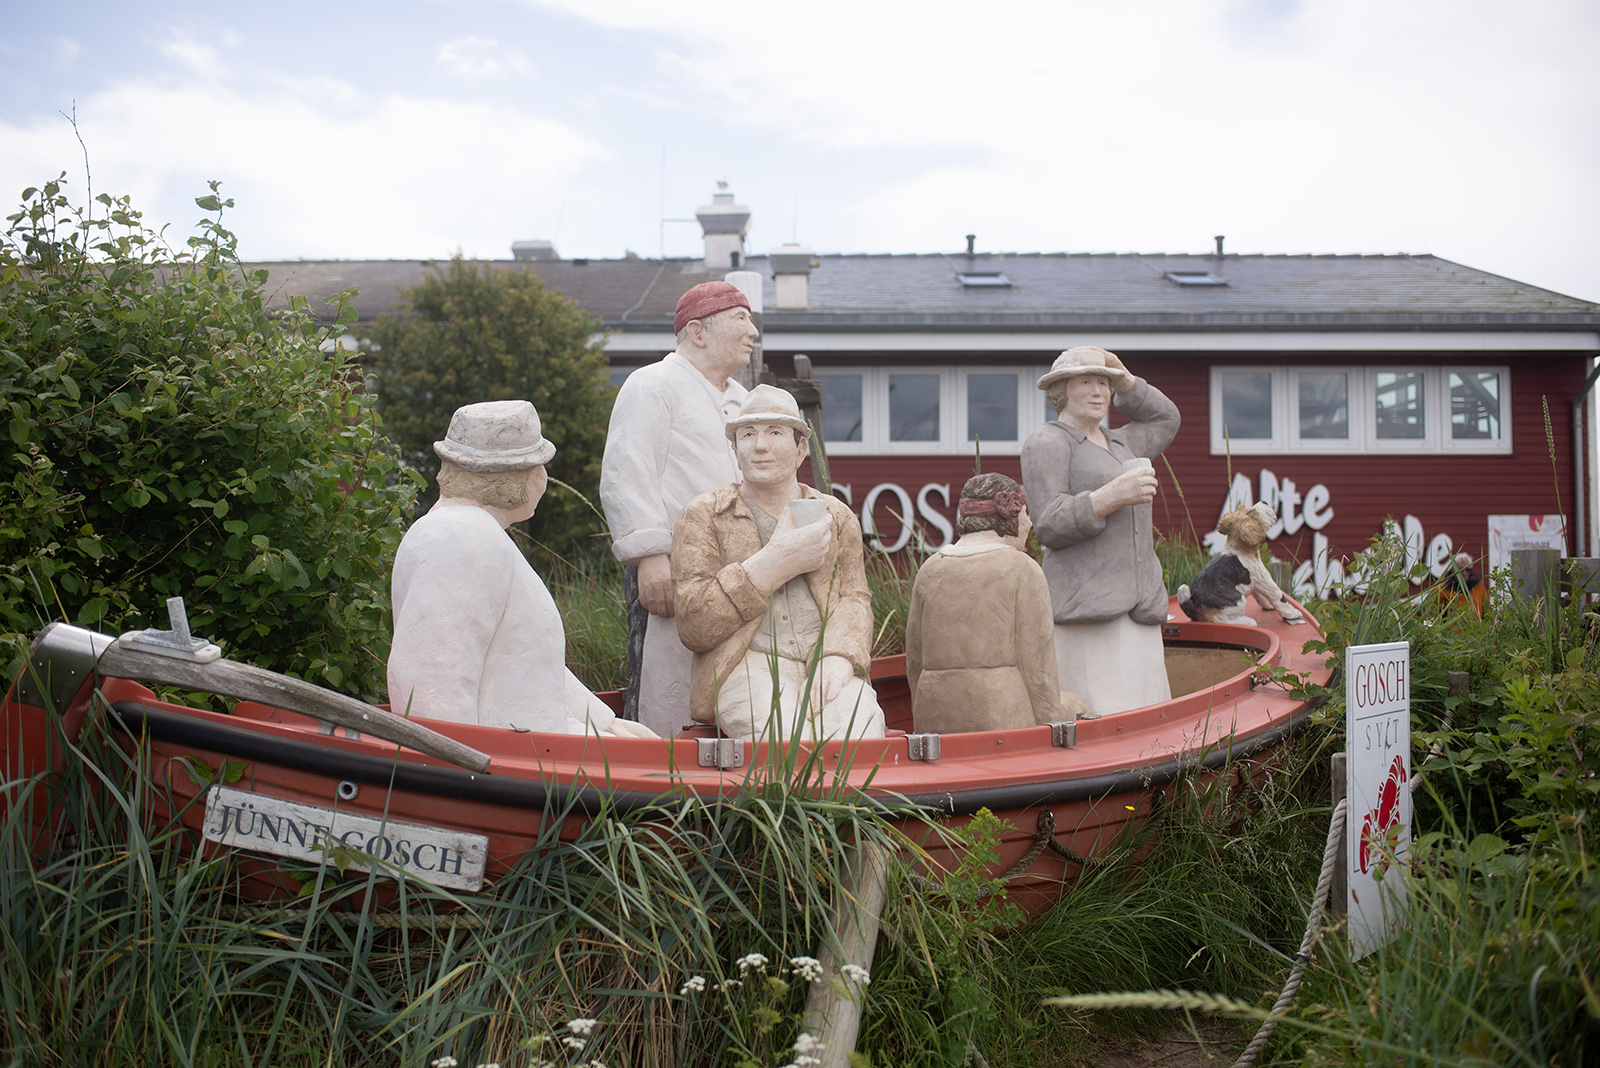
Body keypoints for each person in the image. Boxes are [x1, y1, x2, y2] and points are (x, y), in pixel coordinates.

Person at [389, 400, 655, 737]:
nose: (543, 477)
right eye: (538, 465)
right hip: (515, 760)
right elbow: (432, 678)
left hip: (537, 747)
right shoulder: (460, 537)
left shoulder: (472, 532)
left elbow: (534, 664)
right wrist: (461, 774)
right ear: (514, 476)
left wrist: (607, 724)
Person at [671, 385, 886, 742]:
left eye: (775, 432)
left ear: (801, 447)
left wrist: (839, 656)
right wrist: (771, 565)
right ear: (735, 449)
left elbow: (854, 598)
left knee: (858, 735)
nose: (760, 446)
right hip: (747, 665)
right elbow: (694, 625)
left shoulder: (837, 516)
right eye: (748, 434)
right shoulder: (704, 515)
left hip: (823, 659)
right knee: (781, 743)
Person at [600, 281, 758, 739]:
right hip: (671, 567)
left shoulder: (744, 402)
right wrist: (650, 555)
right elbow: (627, 470)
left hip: (741, 574)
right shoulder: (652, 384)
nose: (752, 332)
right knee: (663, 682)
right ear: (698, 330)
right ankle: (657, 780)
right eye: (740, 319)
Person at [1021, 347, 1180, 715]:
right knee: (1102, 715)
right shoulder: (1048, 441)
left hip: (1140, 607)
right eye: (1086, 381)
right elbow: (1047, 523)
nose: (1098, 392)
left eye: (1104, 384)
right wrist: (1110, 497)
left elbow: (1167, 418)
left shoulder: (1124, 442)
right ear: (1062, 389)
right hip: (1089, 611)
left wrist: (1127, 380)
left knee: (1150, 714)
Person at [905, 473, 1085, 733]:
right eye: (1025, 514)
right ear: (1009, 517)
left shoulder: (930, 569)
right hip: (1003, 720)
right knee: (1078, 704)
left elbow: (915, 663)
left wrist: (922, 717)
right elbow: (1038, 668)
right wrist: (1051, 729)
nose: (1030, 524)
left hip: (934, 718)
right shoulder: (1022, 569)